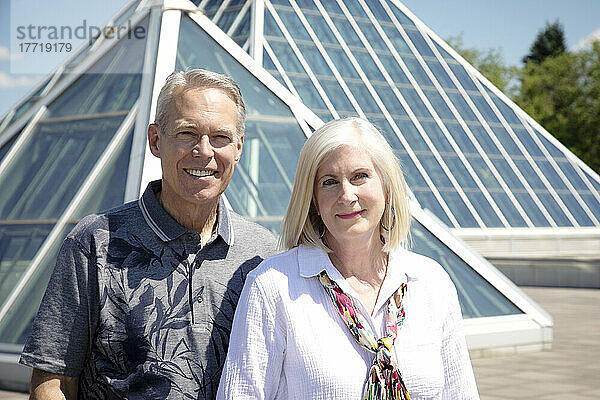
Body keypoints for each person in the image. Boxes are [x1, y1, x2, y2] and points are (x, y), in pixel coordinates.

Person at [19, 69, 278, 399]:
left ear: (239, 147)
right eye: (187, 133)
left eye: (221, 138)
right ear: (156, 140)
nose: (204, 151)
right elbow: (52, 380)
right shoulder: (95, 242)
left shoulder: (261, 253)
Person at [218, 117, 480, 399]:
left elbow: (460, 392)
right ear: (314, 201)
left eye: (360, 177)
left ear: (387, 187)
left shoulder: (430, 282)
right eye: (329, 182)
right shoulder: (273, 286)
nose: (346, 195)